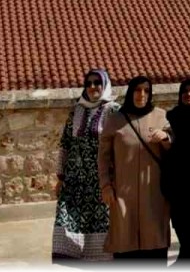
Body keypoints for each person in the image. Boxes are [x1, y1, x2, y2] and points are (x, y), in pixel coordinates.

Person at [98, 76, 171, 262]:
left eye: (146, 91)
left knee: (154, 243)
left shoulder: (161, 116)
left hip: (153, 194)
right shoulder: (115, 120)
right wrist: (106, 186)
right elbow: (103, 158)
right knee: (125, 243)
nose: (142, 95)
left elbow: (174, 151)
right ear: (131, 92)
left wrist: (166, 138)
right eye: (137, 90)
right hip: (123, 193)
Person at [52, 68, 118, 264]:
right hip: (74, 184)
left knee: (100, 229)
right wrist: (60, 178)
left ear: (104, 84)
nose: (92, 87)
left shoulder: (114, 110)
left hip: (101, 184)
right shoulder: (76, 110)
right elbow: (65, 144)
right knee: (64, 226)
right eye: (88, 83)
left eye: (97, 82)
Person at [162, 79, 190, 260]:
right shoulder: (171, 117)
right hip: (178, 184)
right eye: (185, 91)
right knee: (183, 229)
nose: (189, 94)